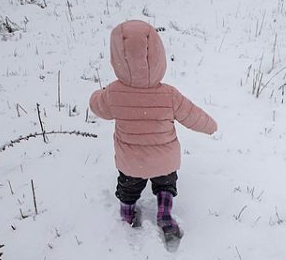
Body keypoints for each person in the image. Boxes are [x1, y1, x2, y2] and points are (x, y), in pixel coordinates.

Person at [89, 20, 218, 241]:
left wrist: (98, 94)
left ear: (117, 57)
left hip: (131, 162)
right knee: (166, 184)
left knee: (128, 189)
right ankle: (165, 214)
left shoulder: (113, 93)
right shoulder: (169, 94)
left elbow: (97, 106)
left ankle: (127, 214)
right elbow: (193, 115)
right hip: (164, 161)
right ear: (158, 55)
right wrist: (211, 126)